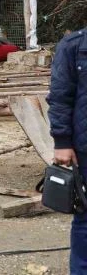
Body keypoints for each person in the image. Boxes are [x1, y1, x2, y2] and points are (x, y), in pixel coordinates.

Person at [48, 29, 87, 273]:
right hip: (85, 149)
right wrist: (62, 142)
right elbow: (60, 97)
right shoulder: (75, 46)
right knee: (86, 218)